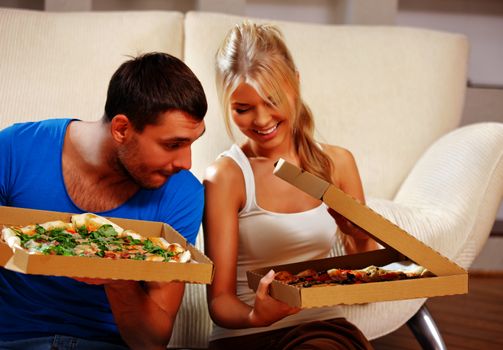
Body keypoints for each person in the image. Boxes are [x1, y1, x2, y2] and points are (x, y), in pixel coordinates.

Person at [0, 52, 207, 350]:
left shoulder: (183, 194)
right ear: (122, 129)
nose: (186, 162)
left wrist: (119, 279)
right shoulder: (16, 149)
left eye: (191, 143)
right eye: (172, 144)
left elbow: (151, 342)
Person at [203, 22, 378, 350]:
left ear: (295, 84)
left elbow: (364, 282)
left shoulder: (338, 164)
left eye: (272, 101)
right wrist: (257, 316)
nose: (261, 120)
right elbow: (220, 302)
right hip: (247, 336)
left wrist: (360, 235)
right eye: (243, 109)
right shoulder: (226, 177)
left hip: (322, 330)